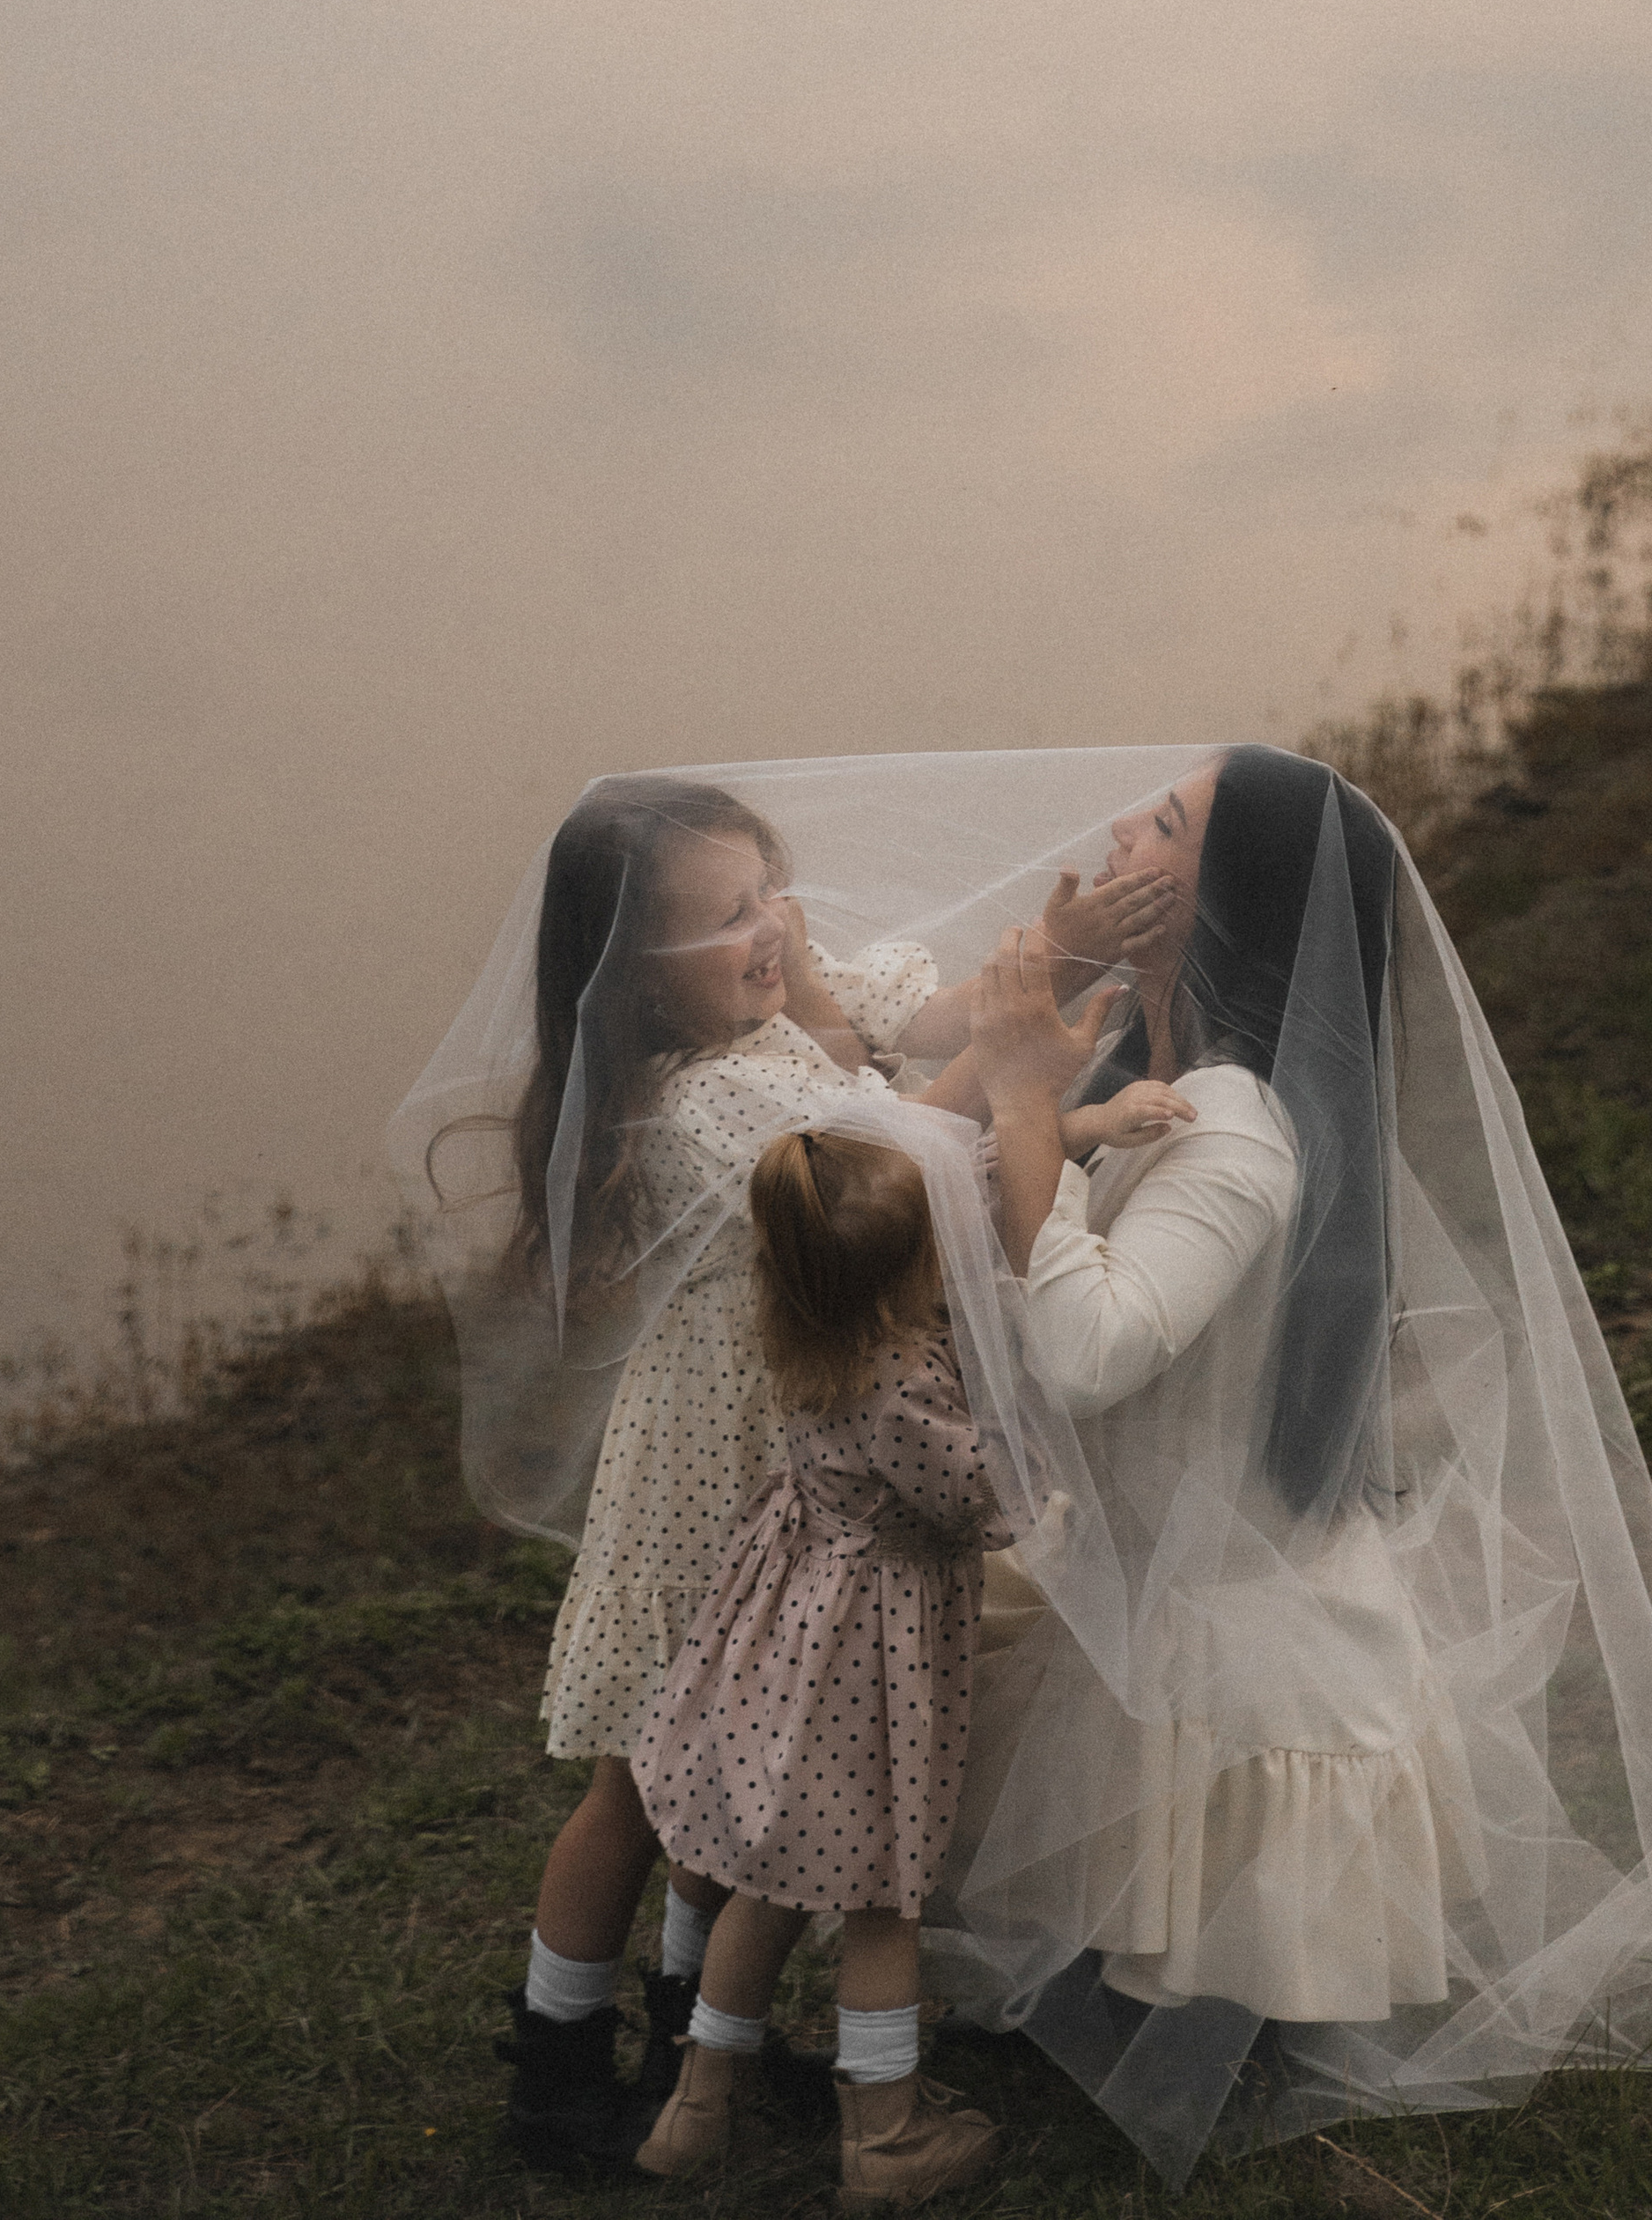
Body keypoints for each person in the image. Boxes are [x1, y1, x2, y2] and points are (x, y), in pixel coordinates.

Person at [930, 746, 1652, 2182]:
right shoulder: (1150, 1069)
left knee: (1177, 2016)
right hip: (1143, 1564)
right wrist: (1023, 1056)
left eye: (1166, 819)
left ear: (1225, 896)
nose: (1121, 820)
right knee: (1050, 1974)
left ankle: (1238, 2037)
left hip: (1222, 1643)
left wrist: (1020, 1119)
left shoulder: (1240, 1126)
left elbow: (1085, 1354)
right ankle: (1164, 2009)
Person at [389, 768, 1171, 2177]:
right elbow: (900, 1165)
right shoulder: (707, 1102)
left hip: (795, 1470)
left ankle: (702, 2045)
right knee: (643, 1777)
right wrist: (1014, 1082)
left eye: (769, 895)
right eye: (727, 919)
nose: (770, 929)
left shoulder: (772, 1029)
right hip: (714, 1477)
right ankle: (557, 2066)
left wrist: (1048, 962)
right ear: (633, 979)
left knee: (731, 1778)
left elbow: (900, 1043)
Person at [627, 1125, 1011, 2201]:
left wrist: (1046, 1137)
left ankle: (696, 2109)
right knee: (884, 1896)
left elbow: (890, 1221)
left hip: (793, 1649)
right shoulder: (900, 1384)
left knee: (767, 1883)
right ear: (903, 1279)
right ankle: (888, 2139)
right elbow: (984, 1503)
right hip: (868, 1664)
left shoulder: (810, 1324)